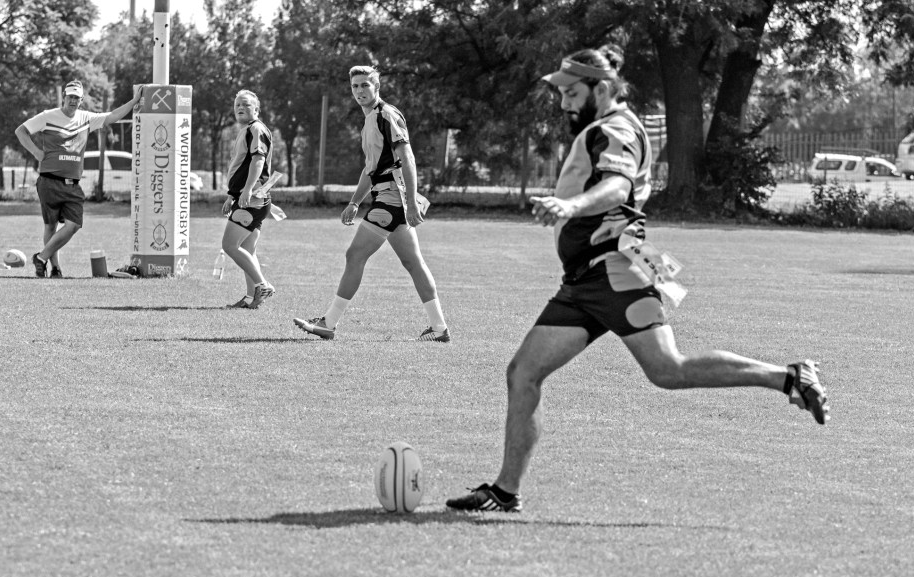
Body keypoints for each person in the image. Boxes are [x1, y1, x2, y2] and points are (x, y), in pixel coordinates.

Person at [446, 46, 830, 513]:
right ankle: (505, 491)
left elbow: (618, 185)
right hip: (585, 281)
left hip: (614, 273)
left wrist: (569, 205)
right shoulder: (603, 128)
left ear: (602, 89)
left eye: (572, 93)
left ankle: (788, 377)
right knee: (523, 373)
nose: (564, 103)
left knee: (668, 369)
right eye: (561, 94)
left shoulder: (615, 129)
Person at [293, 65, 449, 342]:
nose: (359, 90)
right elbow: (371, 169)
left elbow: (408, 158)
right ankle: (439, 328)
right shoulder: (370, 120)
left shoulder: (386, 115)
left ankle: (328, 323)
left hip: (391, 198)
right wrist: (355, 202)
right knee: (413, 263)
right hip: (388, 196)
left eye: (365, 84)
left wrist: (411, 201)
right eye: (355, 86)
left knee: (354, 255)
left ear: (377, 87)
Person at [15, 81, 144, 278]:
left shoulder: (86, 118)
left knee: (73, 224)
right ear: (64, 97)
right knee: (50, 226)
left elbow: (112, 116)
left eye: (77, 98)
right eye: (70, 97)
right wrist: (36, 152)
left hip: (72, 184)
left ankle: (41, 258)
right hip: (49, 180)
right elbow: (21, 131)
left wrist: (134, 101)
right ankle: (55, 268)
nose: (73, 101)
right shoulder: (48, 116)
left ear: (81, 100)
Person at [221, 89, 276, 309]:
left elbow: (257, 161)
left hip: (252, 199)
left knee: (229, 245)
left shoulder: (256, 128)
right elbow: (243, 166)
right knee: (247, 249)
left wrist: (247, 190)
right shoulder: (247, 129)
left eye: (245, 104)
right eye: (237, 105)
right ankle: (250, 297)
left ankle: (263, 285)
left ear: (257, 109)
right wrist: (232, 195)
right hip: (251, 198)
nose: (240, 108)